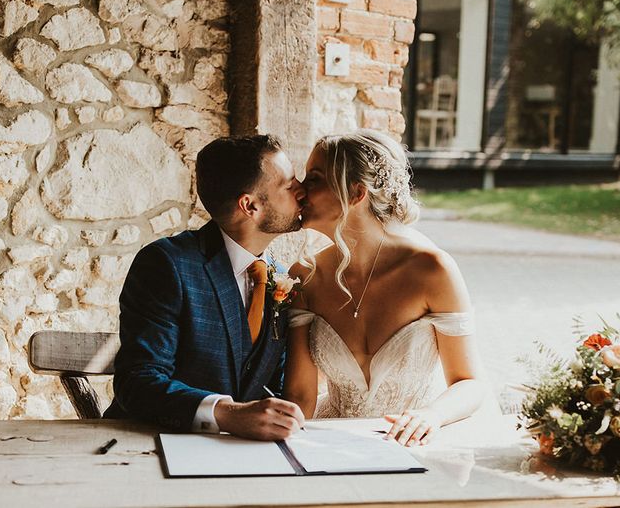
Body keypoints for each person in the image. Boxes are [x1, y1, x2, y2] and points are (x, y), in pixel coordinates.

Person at [283, 129, 485, 446]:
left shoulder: (432, 269)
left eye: (315, 179)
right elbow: (300, 393)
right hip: (330, 440)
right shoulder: (305, 275)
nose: (300, 191)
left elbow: (469, 383)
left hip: (412, 441)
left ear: (356, 194)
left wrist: (431, 415)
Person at [103, 135, 307, 440]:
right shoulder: (167, 264)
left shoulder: (279, 275)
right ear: (249, 205)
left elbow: (271, 381)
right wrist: (227, 414)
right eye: (289, 185)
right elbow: (138, 382)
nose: (302, 191)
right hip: (150, 448)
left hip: (241, 457)